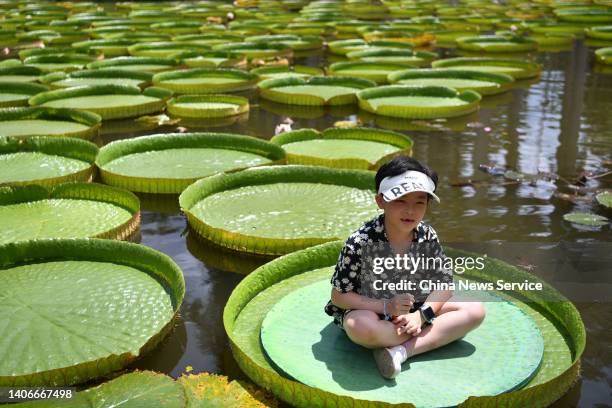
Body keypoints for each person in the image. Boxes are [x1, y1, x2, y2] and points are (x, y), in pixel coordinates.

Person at [324, 155, 486, 379]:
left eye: (419, 202)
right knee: (357, 326)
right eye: (400, 200)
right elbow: (339, 296)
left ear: (428, 204)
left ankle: (401, 352)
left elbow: (444, 286)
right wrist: (386, 306)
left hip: (414, 310)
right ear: (381, 201)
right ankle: (420, 338)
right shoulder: (359, 242)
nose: (410, 210)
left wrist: (421, 316)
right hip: (371, 310)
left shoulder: (427, 235)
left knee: (475, 310)